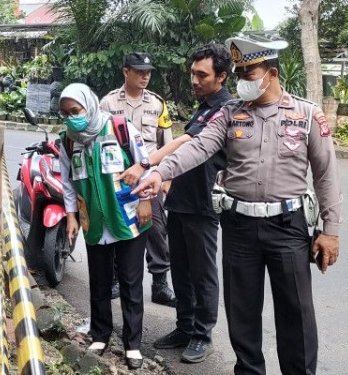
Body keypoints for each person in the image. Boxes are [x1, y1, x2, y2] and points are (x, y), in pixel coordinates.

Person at [134, 36, 342, 375]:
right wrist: (159, 172)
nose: (243, 80)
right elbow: (198, 147)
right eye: (240, 73)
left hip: (287, 227)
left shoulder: (306, 115)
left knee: (296, 313)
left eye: (250, 72)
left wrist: (330, 231)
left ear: (271, 73)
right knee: (242, 314)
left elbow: (326, 176)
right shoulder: (230, 114)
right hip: (239, 228)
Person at [123, 43, 232, 363]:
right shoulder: (204, 105)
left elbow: (186, 141)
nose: (194, 80)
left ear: (222, 76)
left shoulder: (223, 108)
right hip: (181, 200)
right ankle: (184, 327)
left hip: (202, 203)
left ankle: (202, 334)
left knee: (203, 272)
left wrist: (145, 164)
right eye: (192, 73)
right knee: (181, 270)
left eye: (202, 74)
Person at [59, 83, 153, 370]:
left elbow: (145, 164)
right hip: (94, 222)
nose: (72, 117)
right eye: (66, 113)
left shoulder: (120, 128)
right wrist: (72, 216)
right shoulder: (68, 140)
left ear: (90, 105)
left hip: (128, 217)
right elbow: (67, 182)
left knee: (129, 281)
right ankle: (100, 334)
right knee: (99, 281)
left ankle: (132, 344)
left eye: (76, 111)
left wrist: (147, 201)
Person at [100, 52, 176, 307]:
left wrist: (167, 177)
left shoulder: (157, 103)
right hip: (119, 178)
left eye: (148, 72)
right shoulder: (108, 103)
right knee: (117, 225)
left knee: (156, 229)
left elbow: (166, 141)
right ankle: (116, 280)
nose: (145, 76)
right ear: (126, 72)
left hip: (150, 177)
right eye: (139, 71)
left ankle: (160, 284)